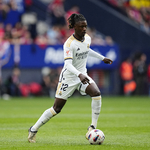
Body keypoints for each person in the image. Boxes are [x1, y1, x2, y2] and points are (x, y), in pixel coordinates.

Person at [27, 13, 113, 143]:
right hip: (69, 78)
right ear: (74, 27)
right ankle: (33, 129)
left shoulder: (87, 38)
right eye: (81, 26)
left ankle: (92, 127)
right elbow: (68, 65)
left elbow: (86, 50)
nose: (84, 29)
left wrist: (102, 58)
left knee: (96, 93)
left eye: (85, 26)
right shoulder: (69, 44)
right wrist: (79, 74)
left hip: (82, 76)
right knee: (56, 109)